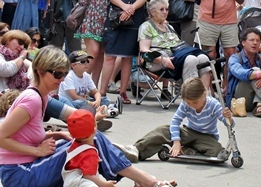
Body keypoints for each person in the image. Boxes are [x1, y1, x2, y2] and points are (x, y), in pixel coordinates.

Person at [0, 45, 176, 187]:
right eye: (57, 74)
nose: (61, 79)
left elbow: (26, 134)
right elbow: (1, 138)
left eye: (64, 74)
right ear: (39, 70)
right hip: (20, 174)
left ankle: (143, 180)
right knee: (91, 140)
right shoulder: (33, 99)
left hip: (27, 166)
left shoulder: (42, 95)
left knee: (88, 137)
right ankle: (147, 181)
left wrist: (59, 134)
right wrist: (37, 150)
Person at [115, 77, 233, 162]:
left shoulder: (214, 104)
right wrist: (176, 141)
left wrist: (228, 117)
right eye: (188, 103)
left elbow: (230, 125)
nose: (191, 105)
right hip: (189, 131)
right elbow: (176, 121)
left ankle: (186, 150)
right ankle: (136, 150)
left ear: (204, 94)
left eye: (195, 102)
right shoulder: (186, 104)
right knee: (163, 130)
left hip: (207, 137)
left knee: (217, 151)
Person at [100, 0, 149, 104]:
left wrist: (131, 9)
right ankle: (102, 91)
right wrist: (123, 7)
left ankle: (123, 92)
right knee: (110, 55)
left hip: (135, 14)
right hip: (116, 14)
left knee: (128, 56)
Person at [191, 0, 245, 90]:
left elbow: (241, 0)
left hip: (229, 20)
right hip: (208, 19)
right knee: (210, 54)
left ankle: (225, 87)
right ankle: (208, 87)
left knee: (231, 54)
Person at [138, 0, 212, 92]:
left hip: (177, 56)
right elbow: (144, 50)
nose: (165, 12)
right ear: (152, 11)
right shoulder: (146, 26)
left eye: (167, 9)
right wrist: (162, 60)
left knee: (203, 58)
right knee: (191, 59)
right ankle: (192, 97)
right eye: (161, 9)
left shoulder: (169, 27)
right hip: (158, 61)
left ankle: (204, 96)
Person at [63, 109, 116, 187]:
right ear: (95, 129)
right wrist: (104, 184)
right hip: (80, 182)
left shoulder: (75, 143)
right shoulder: (90, 153)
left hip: (68, 180)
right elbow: (89, 176)